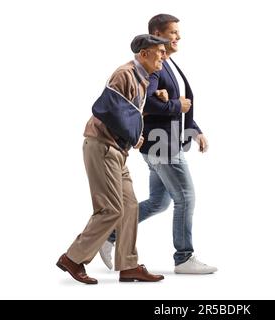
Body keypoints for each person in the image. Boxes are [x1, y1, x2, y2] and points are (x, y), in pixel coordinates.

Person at [99, 14, 217, 274]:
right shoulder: (156, 65)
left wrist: (194, 130)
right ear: (157, 34)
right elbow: (145, 101)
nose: (178, 37)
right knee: (185, 198)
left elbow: (179, 104)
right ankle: (184, 258)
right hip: (161, 144)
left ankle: (108, 235)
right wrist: (175, 105)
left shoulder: (168, 64)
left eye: (177, 32)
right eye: (173, 32)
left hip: (163, 142)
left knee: (158, 203)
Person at [56, 34, 169, 284]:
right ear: (144, 54)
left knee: (129, 207)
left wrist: (159, 96)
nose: (164, 55)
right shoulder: (124, 73)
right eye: (159, 51)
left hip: (118, 151)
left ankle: (128, 265)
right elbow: (110, 110)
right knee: (110, 209)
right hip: (103, 147)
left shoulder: (143, 78)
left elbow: (134, 108)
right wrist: (133, 136)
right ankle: (73, 259)